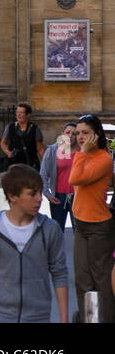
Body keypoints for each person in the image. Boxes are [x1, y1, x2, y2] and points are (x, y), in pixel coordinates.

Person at [0, 164, 70, 324]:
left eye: (40, 192)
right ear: (12, 196)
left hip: (37, 317)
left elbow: (60, 274)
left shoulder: (49, 229)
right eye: (32, 194)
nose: (39, 198)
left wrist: (64, 319)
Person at [69, 114, 114, 322]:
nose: (80, 137)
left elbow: (75, 178)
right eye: (78, 133)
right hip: (81, 224)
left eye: (85, 132)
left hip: (99, 227)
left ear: (96, 134)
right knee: (81, 278)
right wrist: (83, 154)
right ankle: (88, 318)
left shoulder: (103, 159)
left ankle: (104, 319)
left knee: (101, 279)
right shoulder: (84, 156)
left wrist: (82, 154)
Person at [41, 123, 77, 230]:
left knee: (79, 232)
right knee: (57, 231)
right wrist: (47, 194)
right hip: (58, 197)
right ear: (62, 134)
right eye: (68, 132)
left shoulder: (83, 151)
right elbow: (43, 174)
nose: (70, 136)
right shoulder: (52, 151)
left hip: (77, 196)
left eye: (74, 133)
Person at [0, 103, 44, 171]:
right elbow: (3, 143)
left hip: (30, 164)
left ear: (28, 115)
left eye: (21, 113)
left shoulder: (35, 129)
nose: (18, 115)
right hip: (14, 164)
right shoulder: (10, 127)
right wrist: (8, 152)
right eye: (17, 112)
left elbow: (40, 149)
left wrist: (45, 164)